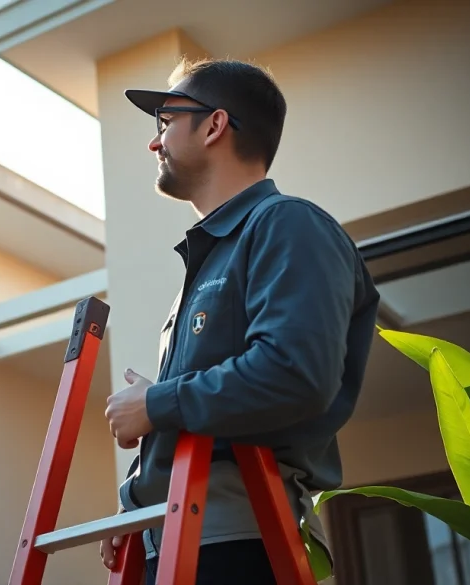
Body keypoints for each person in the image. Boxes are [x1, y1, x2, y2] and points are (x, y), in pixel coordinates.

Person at [100, 58, 381, 584]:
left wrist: (156, 402)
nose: (153, 143)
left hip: (238, 542)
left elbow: (292, 373)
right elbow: (206, 409)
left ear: (214, 125)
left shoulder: (289, 226)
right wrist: (139, 497)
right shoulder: (213, 257)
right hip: (172, 539)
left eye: (165, 121)